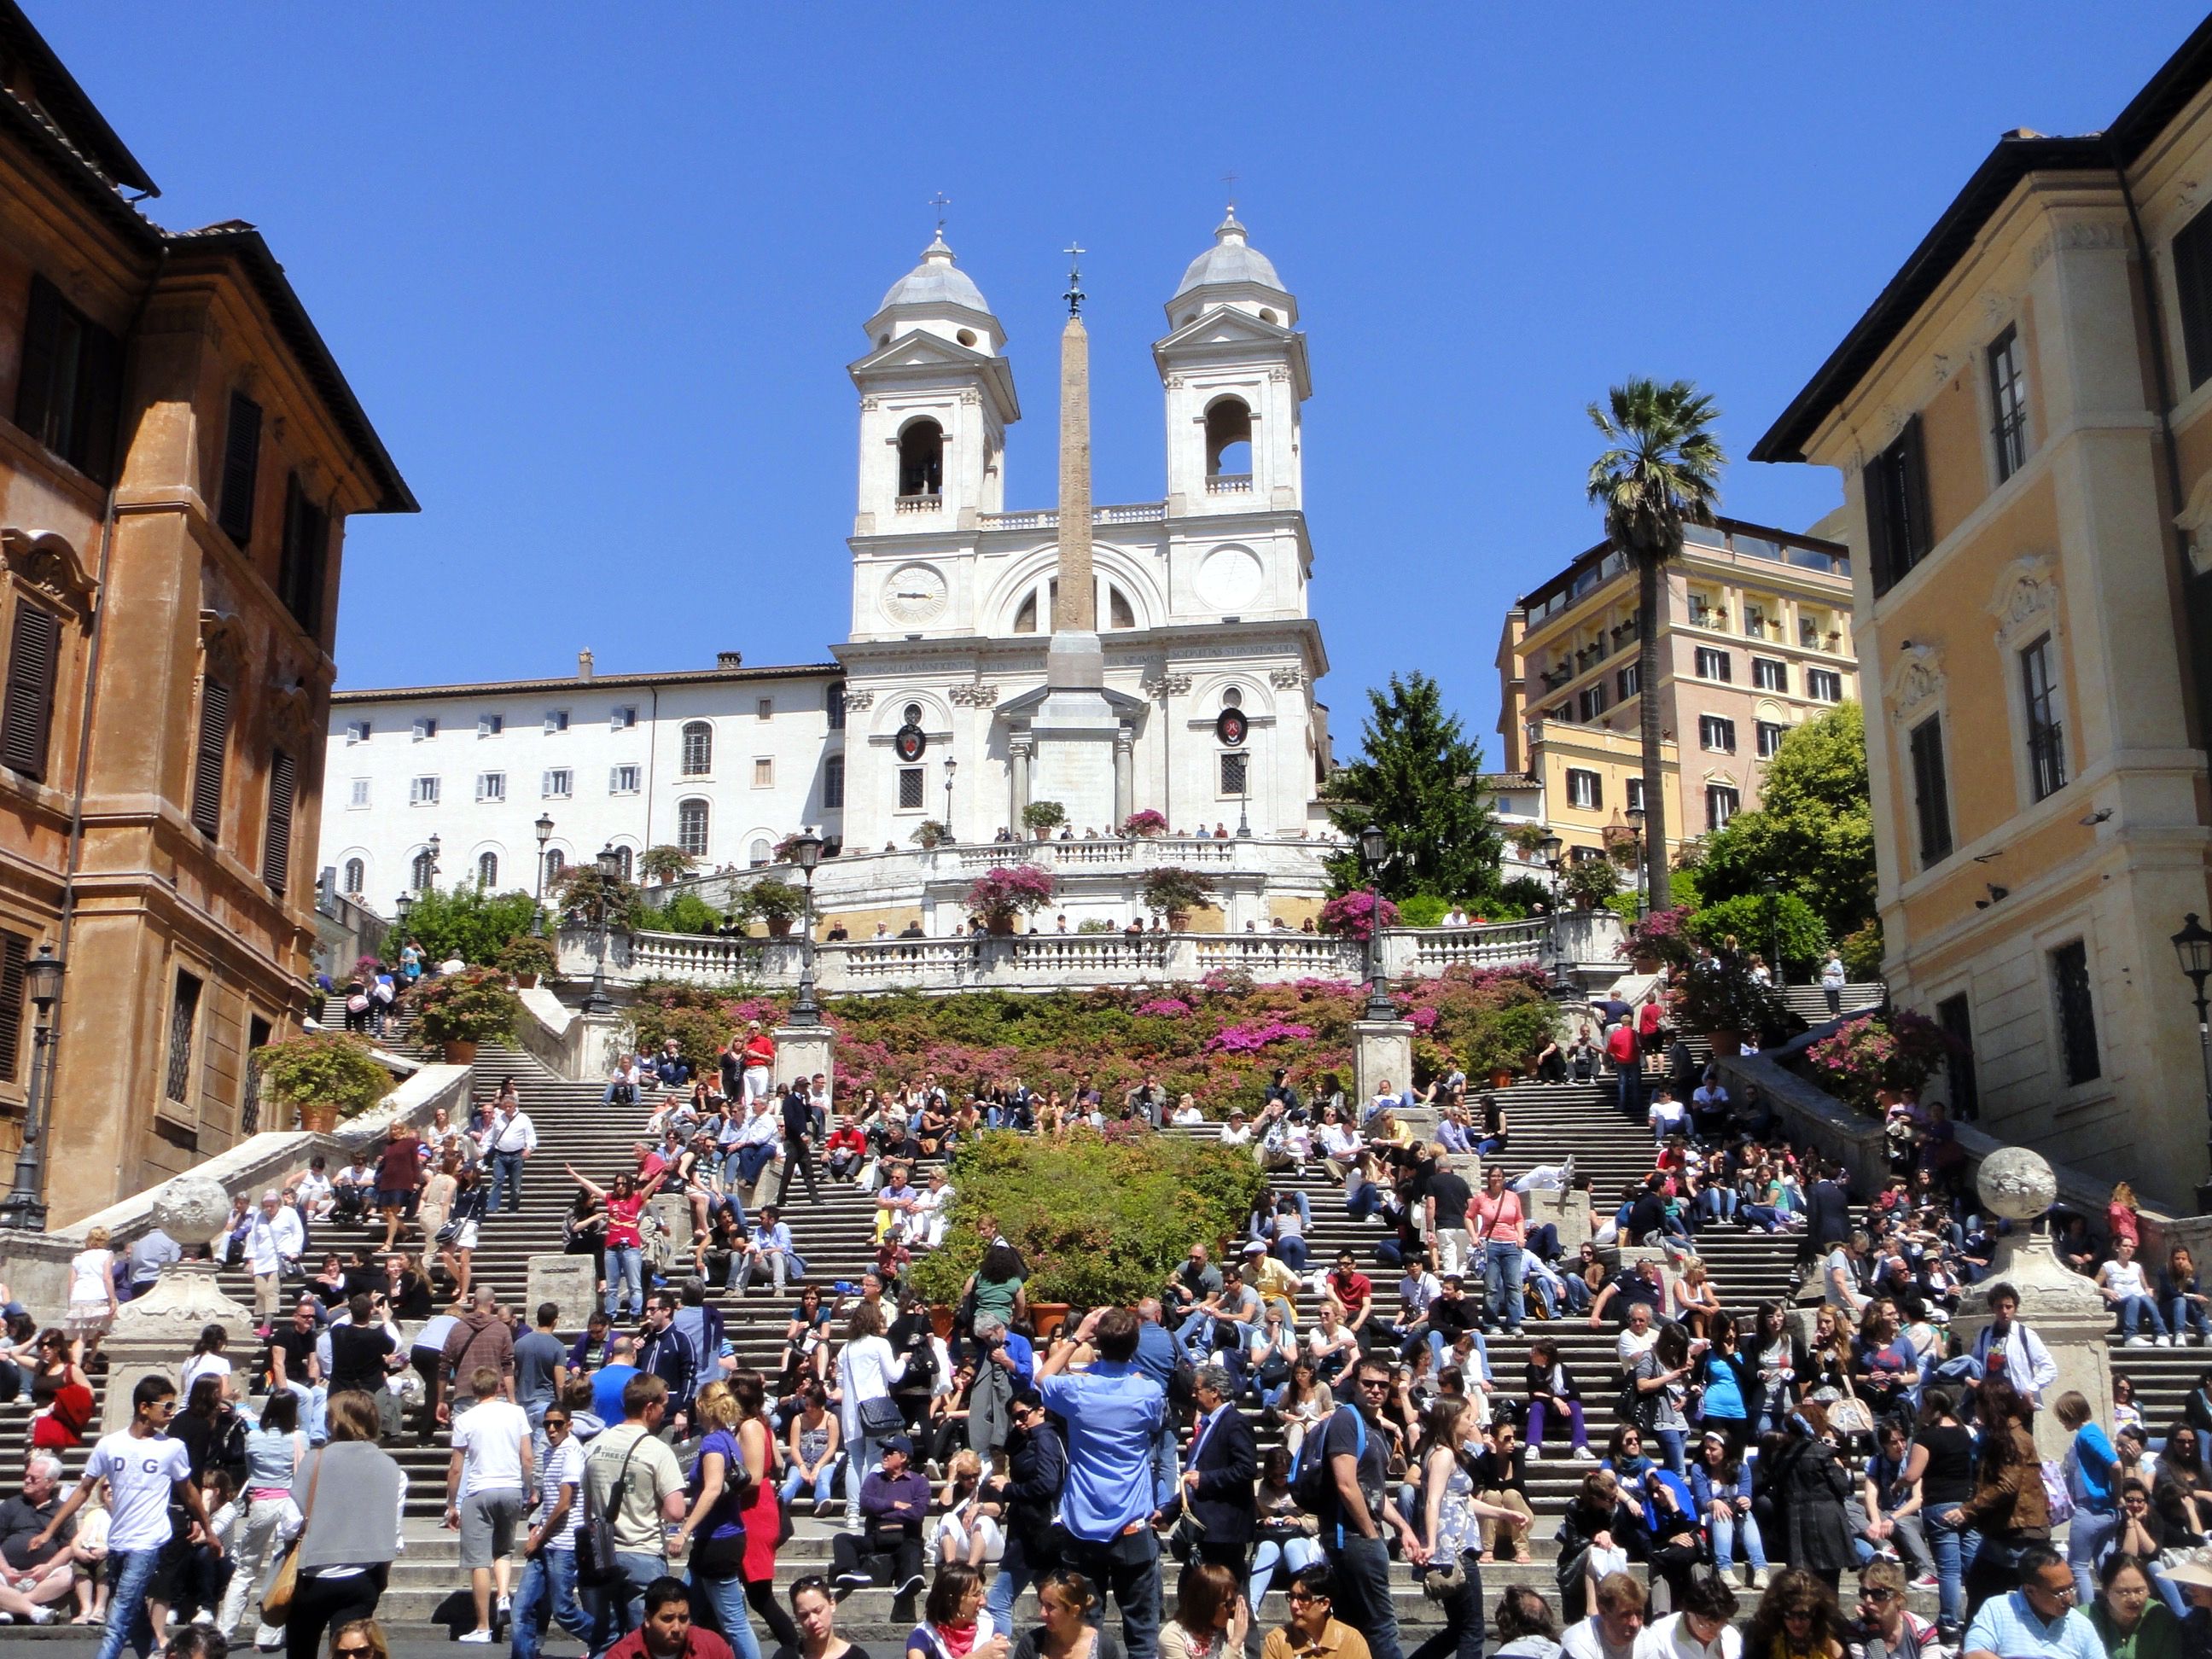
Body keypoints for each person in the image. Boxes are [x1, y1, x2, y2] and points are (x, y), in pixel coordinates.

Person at [32, 1377, 219, 1659]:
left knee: (117, 1620)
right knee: (136, 1615)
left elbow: (190, 1492)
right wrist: (49, 1531)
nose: (172, 1412)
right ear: (144, 1407)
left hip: (149, 1542)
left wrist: (209, 1529)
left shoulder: (172, 1447)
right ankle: (155, 1655)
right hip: (118, 1542)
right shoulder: (110, 1445)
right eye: (167, 1406)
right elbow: (84, 1490)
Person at [1034, 1306, 1167, 1659]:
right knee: (1142, 1633)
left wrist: (1077, 1336)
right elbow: (1156, 1425)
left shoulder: (1078, 1388)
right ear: (1134, 1345)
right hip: (1132, 1525)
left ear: (1098, 1341)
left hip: (1083, 1524)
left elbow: (1042, 1376)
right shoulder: (1148, 1392)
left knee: (1084, 1631)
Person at [582, 1374, 690, 1650]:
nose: (665, 1411)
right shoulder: (657, 1450)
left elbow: (587, 1505)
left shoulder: (596, 1445)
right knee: (646, 1643)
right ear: (649, 1407)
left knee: (604, 1641)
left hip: (603, 1555)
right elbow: (676, 1510)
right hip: (643, 1551)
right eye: (663, 1405)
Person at [445, 1363, 530, 1644]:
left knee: (478, 1560)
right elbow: (526, 1457)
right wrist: (529, 1488)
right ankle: (503, 1596)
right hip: (510, 1488)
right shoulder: (516, 1413)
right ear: (498, 1387)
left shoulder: (465, 1420)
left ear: (473, 1390)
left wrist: (451, 1504)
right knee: (503, 1550)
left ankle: (483, 1626)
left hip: (480, 1490)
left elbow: (456, 1468)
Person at [212, 1388, 302, 1643]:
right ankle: (269, 1632)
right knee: (281, 1566)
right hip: (289, 1503)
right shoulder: (299, 1438)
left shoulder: (254, 1438)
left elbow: (251, 1472)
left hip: (262, 1503)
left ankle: (224, 1631)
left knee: (245, 1568)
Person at [512, 1400, 593, 1659]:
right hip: (546, 1542)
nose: (551, 1429)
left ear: (569, 1425)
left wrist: (540, 1536)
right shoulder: (550, 1452)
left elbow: (564, 1503)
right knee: (522, 1609)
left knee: (563, 1611)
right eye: (547, 1424)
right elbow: (550, 1502)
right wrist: (538, 1529)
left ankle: (608, 1638)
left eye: (557, 1424)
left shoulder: (571, 1452)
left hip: (565, 1545)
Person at [985, 1389, 1067, 1629]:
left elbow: (1047, 1484)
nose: (1019, 1423)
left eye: (1023, 1415)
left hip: (1034, 1533)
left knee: (998, 1601)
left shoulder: (1045, 1439)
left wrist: (1009, 1489)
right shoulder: (1038, 1437)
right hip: (1035, 1532)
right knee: (1055, 1603)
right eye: (1014, 1418)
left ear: (1040, 1409)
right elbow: (1009, 1446)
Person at [830, 1434, 930, 1607]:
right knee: (842, 1539)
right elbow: (865, 1502)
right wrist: (896, 1504)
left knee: (912, 1548)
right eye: (884, 1451)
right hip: (876, 1538)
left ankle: (909, 1580)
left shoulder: (919, 1482)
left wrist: (881, 1512)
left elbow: (917, 1513)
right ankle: (851, 1572)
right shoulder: (874, 1479)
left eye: (891, 1452)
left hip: (904, 1538)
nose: (885, 1455)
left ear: (904, 1456)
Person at [1180, 1364, 1257, 1586]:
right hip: (1205, 1528)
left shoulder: (1235, 1423)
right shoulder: (1207, 1425)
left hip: (1225, 1530)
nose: (1193, 1394)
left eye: (1198, 1389)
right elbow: (1192, 1472)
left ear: (1215, 1392)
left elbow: (1246, 1468)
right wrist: (1167, 1512)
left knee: (1224, 1595)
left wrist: (1205, 1479)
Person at [835, 1302, 910, 1529]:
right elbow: (894, 1375)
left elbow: (839, 1381)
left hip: (851, 1412)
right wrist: (903, 1360)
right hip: (875, 1410)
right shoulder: (880, 1344)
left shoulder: (846, 1348)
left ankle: (852, 1513)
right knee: (875, 1458)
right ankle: (873, 1506)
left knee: (854, 1461)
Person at [1961, 1544, 2102, 1659]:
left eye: (2071, 1588)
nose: (2069, 1599)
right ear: (2030, 1590)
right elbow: (1974, 1654)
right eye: (2059, 1592)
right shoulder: (1998, 1609)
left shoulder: (2080, 1625)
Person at [2057, 1390, 2120, 1603]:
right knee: (2104, 1563)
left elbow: (2115, 1464)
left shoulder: (2086, 1434)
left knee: (2078, 1566)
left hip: (2091, 1508)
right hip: (2104, 1511)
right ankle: (2112, 1607)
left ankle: (2089, 1614)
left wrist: (2117, 1495)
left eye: (2063, 1416)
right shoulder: (2090, 1432)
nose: (2061, 1422)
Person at [603, 1576, 736, 1659]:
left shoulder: (712, 1646)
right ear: (648, 1619)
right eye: (668, 1619)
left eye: (683, 1619)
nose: (677, 1628)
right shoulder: (621, 1655)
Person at [1257, 1563, 1368, 1659]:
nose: (1294, 1605)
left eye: (1304, 1598)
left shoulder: (1350, 1641)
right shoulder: (1278, 1640)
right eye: (1292, 1597)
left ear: (1324, 1604)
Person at [1011, 1569, 1128, 1659]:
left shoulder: (1104, 1646)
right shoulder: (1032, 1643)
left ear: (1074, 1610)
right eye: (1042, 1604)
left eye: (1051, 1607)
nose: (1042, 1613)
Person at [2087, 1553, 2181, 1659]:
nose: (2133, 1599)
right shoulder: (2085, 1619)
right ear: (2106, 1590)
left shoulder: (2163, 1619)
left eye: (2139, 1591)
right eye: (2124, 1592)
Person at [905, 1562, 1004, 1659]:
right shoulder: (923, 1637)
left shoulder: (986, 1628)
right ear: (951, 1600)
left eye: (982, 1593)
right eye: (975, 1595)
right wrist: (976, 1657)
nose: (983, 1602)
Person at [1743, 1571, 1846, 1659]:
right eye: (1789, 1614)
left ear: (1815, 1612)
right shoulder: (1760, 1634)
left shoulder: (1832, 1629)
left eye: (1804, 1615)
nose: (1796, 1622)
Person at [1638, 1573, 1741, 1659]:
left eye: (1721, 1626)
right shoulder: (1661, 1635)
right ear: (1689, 1611)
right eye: (1708, 1625)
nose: (1715, 1634)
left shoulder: (1730, 1636)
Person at [1848, 1559, 1936, 1659]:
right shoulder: (1856, 1631)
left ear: (1898, 1598)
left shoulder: (1923, 1630)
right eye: (1864, 1592)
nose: (1868, 1600)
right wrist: (1874, 1630)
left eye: (1878, 1594)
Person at [1157, 1560, 1243, 1659]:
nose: (1233, 1608)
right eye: (1228, 1604)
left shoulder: (1232, 1629)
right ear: (1208, 1605)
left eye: (1234, 1601)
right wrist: (1235, 1643)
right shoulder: (1172, 1637)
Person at [772, 1575, 871, 1659]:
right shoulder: (786, 1656)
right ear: (797, 1617)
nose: (813, 1620)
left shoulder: (857, 1656)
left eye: (818, 1610)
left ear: (832, 1604)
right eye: (804, 1615)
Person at [1562, 1572, 1645, 1659]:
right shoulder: (1579, 1643)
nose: (1635, 1624)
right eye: (1625, 1615)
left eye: (1639, 1613)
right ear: (1603, 1612)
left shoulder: (1646, 1640)